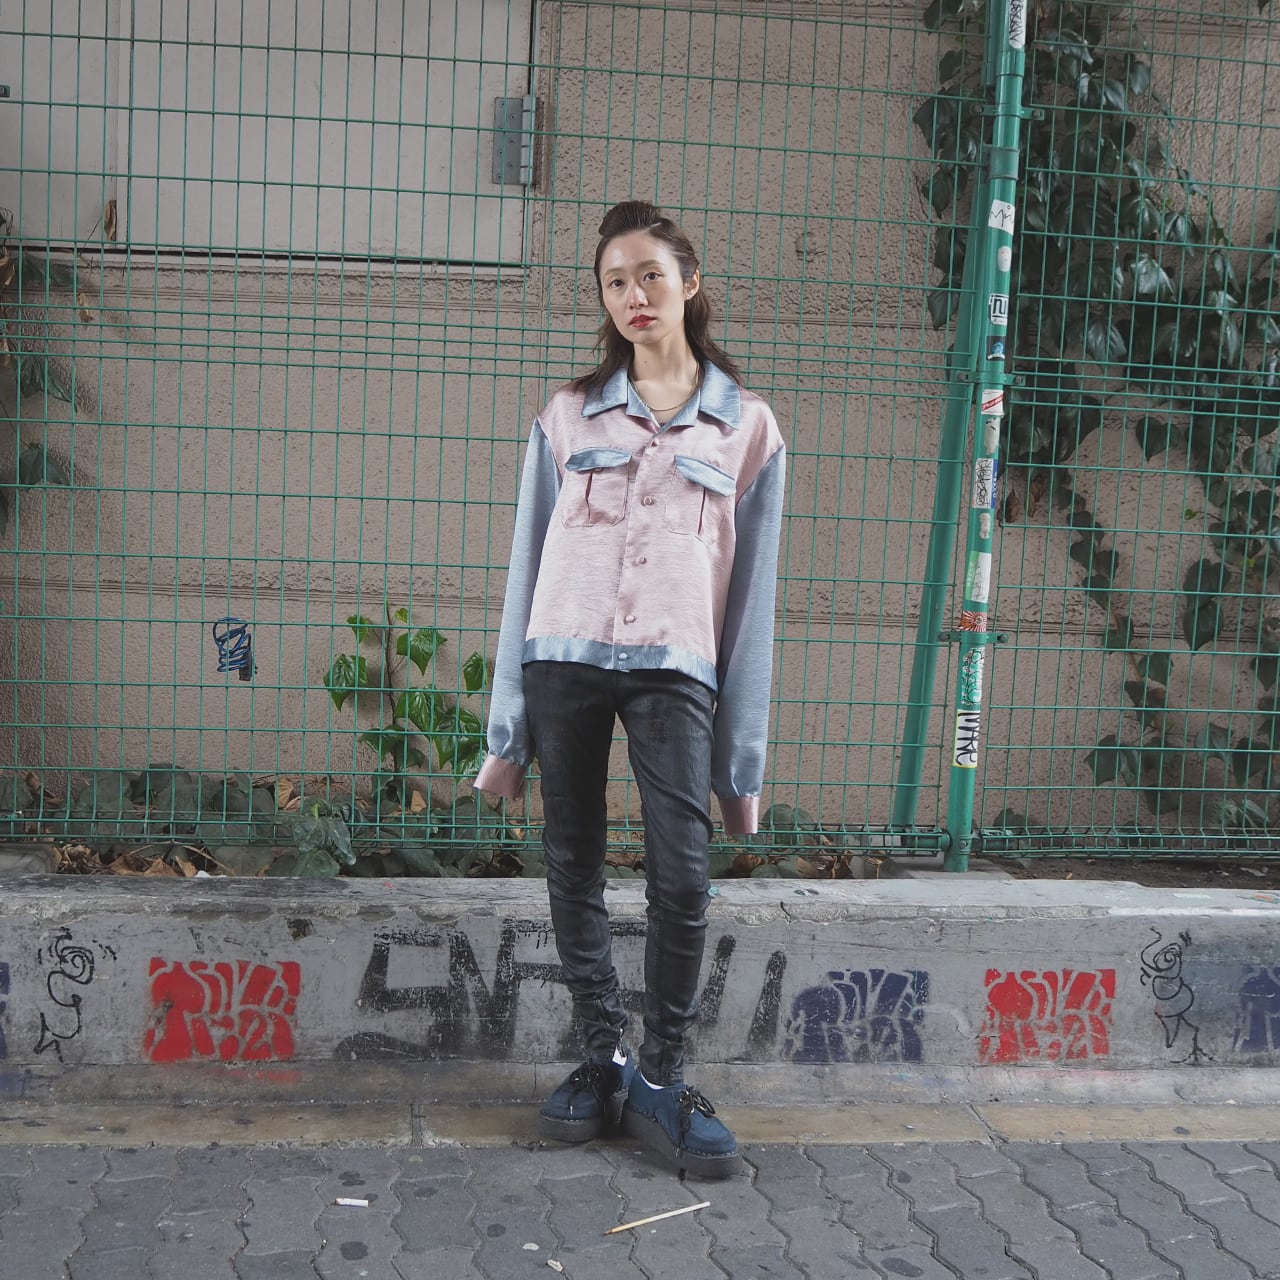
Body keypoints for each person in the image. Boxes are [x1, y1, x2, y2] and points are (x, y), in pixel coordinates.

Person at [474, 200, 786, 1180]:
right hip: (561, 659)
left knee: (680, 874)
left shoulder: (747, 427)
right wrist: (506, 731)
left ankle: (662, 1074)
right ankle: (601, 1055)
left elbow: (752, 601)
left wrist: (740, 767)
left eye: (650, 274)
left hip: (673, 666)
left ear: (689, 282)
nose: (634, 295)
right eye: (615, 281)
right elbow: (526, 566)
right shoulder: (568, 416)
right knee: (570, 860)